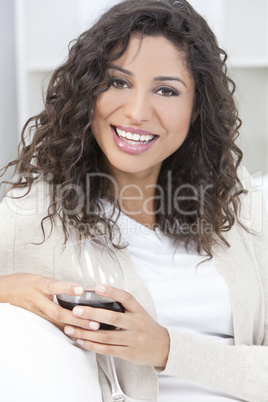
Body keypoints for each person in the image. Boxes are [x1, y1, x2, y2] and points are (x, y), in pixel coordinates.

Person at [0, 0, 267, 401]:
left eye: (166, 90)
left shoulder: (243, 209)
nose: (137, 112)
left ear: (196, 110)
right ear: (88, 91)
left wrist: (165, 348)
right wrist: (5, 288)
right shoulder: (35, 215)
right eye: (118, 82)